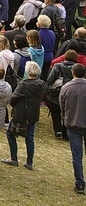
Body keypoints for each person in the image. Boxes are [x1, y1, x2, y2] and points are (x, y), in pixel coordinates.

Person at [2, 61, 46, 169]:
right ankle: (29, 162)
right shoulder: (41, 85)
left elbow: (13, 99)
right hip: (33, 114)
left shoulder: (24, 84)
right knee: (30, 137)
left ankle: (13, 158)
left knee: (10, 133)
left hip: (21, 113)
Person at [60, 63, 86, 194]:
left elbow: (62, 105)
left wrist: (65, 119)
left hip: (73, 123)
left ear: (73, 73)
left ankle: (80, 183)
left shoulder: (66, 87)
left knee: (77, 155)